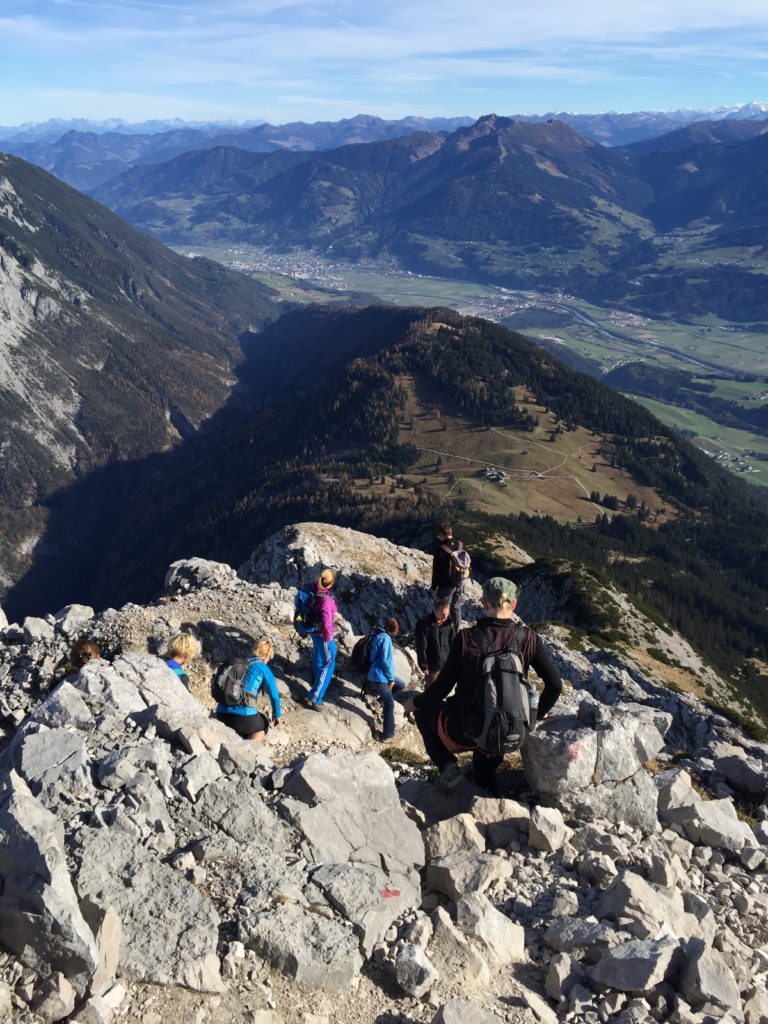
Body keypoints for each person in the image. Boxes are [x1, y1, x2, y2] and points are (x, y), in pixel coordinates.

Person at [405, 577, 562, 795]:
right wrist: (535, 715)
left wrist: (414, 702)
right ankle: (487, 797)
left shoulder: (466, 638)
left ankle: (449, 769)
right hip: (507, 730)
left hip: (465, 730)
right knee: (486, 764)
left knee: (423, 715)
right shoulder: (529, 639)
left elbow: (441, 688)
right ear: (514, 604)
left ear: (484, 603)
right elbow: (555, 685)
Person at [215, 639, 281, 742]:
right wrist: (277, 715)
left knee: (246, 722)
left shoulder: (240, 663)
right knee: (263, 723)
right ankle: (249, 751)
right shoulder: (262, 667)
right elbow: (274, 696)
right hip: (244, 719)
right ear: (267, 655)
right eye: (269, 657)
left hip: (221, 714)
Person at [302, 568, 338, 711]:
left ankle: (317, 680)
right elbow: (327, 624)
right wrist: (328, 639)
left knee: (318, 655)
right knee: (329, 661)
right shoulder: (326, 601)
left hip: (313, 630)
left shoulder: (312, 588)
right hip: (322, 635)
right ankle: (315, 697)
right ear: (331, 583)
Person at [367, 617, 407, 740]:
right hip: (379, 675)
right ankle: (387, 734)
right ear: (393, 630)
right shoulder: (386, 639)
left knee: (401, 684)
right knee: (390, 703)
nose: (397, 633)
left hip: (377, 671)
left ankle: (378, 703)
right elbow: (386, 661)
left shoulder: (378, 634)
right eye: (397, 631)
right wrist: (391, 679)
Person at [431, 522, 470, 630]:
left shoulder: (440, 550)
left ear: (442, 534)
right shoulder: (461, 545)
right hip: (461, 582)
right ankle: (456, 632)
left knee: (443, 608)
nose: (438, 537)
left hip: (446, 585)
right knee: (456, 608)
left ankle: (444, 632)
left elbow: (436, 572)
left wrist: (434, 588)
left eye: (438, 534)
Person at [415, 598, 455, 689]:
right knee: (431, 689)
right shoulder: (425, 625)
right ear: (435, 611)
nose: (446, 617)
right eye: (443, 614)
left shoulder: (449, 623)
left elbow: (453, 642)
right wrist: (424, 665)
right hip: (432, 667)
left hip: (446, 664)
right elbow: (421, 646)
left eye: (447, 613)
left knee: (443, 688)